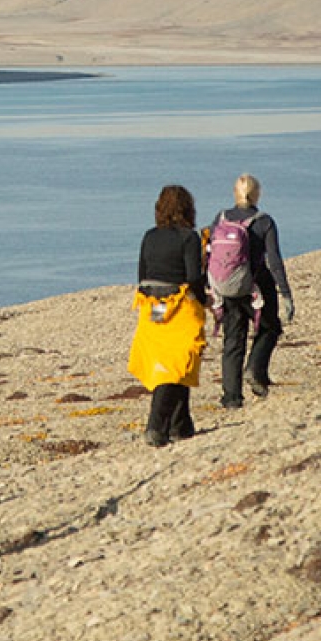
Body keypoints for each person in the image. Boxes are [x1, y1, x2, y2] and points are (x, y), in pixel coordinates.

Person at [131, 185, 209, 447]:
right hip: (180, 308)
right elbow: (193, 277)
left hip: (151, 308)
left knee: (172, 366)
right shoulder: (189, 238)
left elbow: (141, 274)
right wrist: (204, 299)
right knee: (176, 367)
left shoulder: (149, 236)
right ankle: (156, 425)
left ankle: (181, 425)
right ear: (188, 209)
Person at [208, 173, 293, 408]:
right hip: (258, 285)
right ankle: (255, 368)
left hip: (227, 286)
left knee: (233, 341)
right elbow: (274, 259)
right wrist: (285, 292)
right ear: (257, 193)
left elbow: (210, 252)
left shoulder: (221, 218)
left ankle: (231, 397)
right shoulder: (264, 221)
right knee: (270, 328)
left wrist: (211, 286)